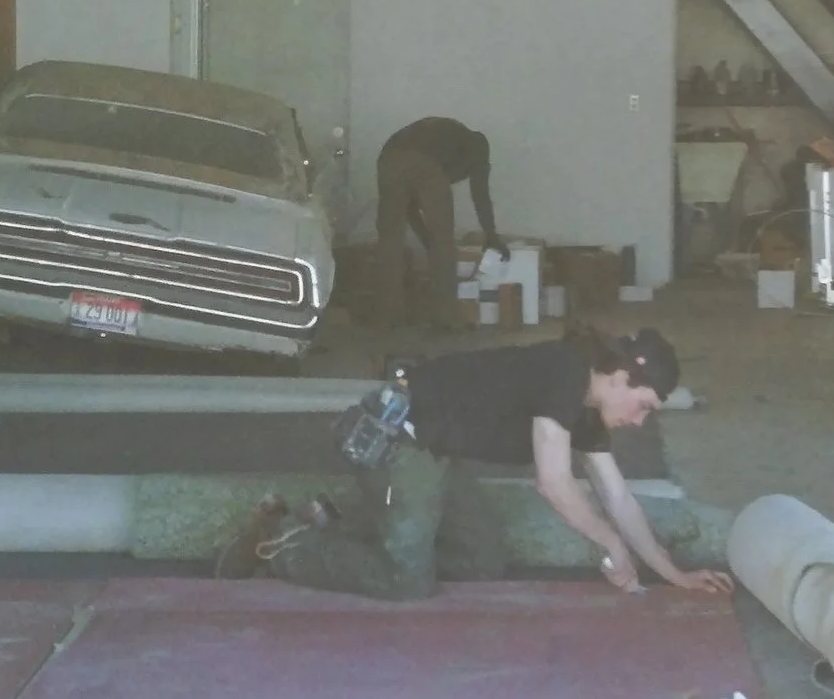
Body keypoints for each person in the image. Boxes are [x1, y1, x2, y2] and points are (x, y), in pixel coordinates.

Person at [218, 326, 735, 602]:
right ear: (621, 377)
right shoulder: (565, 371)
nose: (642, 421)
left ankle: (337, 524)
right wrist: (611, 545)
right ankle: (282, 542)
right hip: (400, 442)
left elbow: (618, 497)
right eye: (644, 405)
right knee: (407, 583)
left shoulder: (590, 411)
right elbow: (553, 484)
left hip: (441, 451)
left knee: (484, 561)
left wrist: (674, 574)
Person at [372, 117, 506, 330]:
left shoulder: (446, 136)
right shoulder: (476, 148)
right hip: (419, 160)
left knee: (389, 244)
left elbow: (409, 207)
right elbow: (480, 195)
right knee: (444, 243)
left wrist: (426, 237)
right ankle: (445, 320)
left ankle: (386, 319)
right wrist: (491, 236)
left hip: (388, 159)